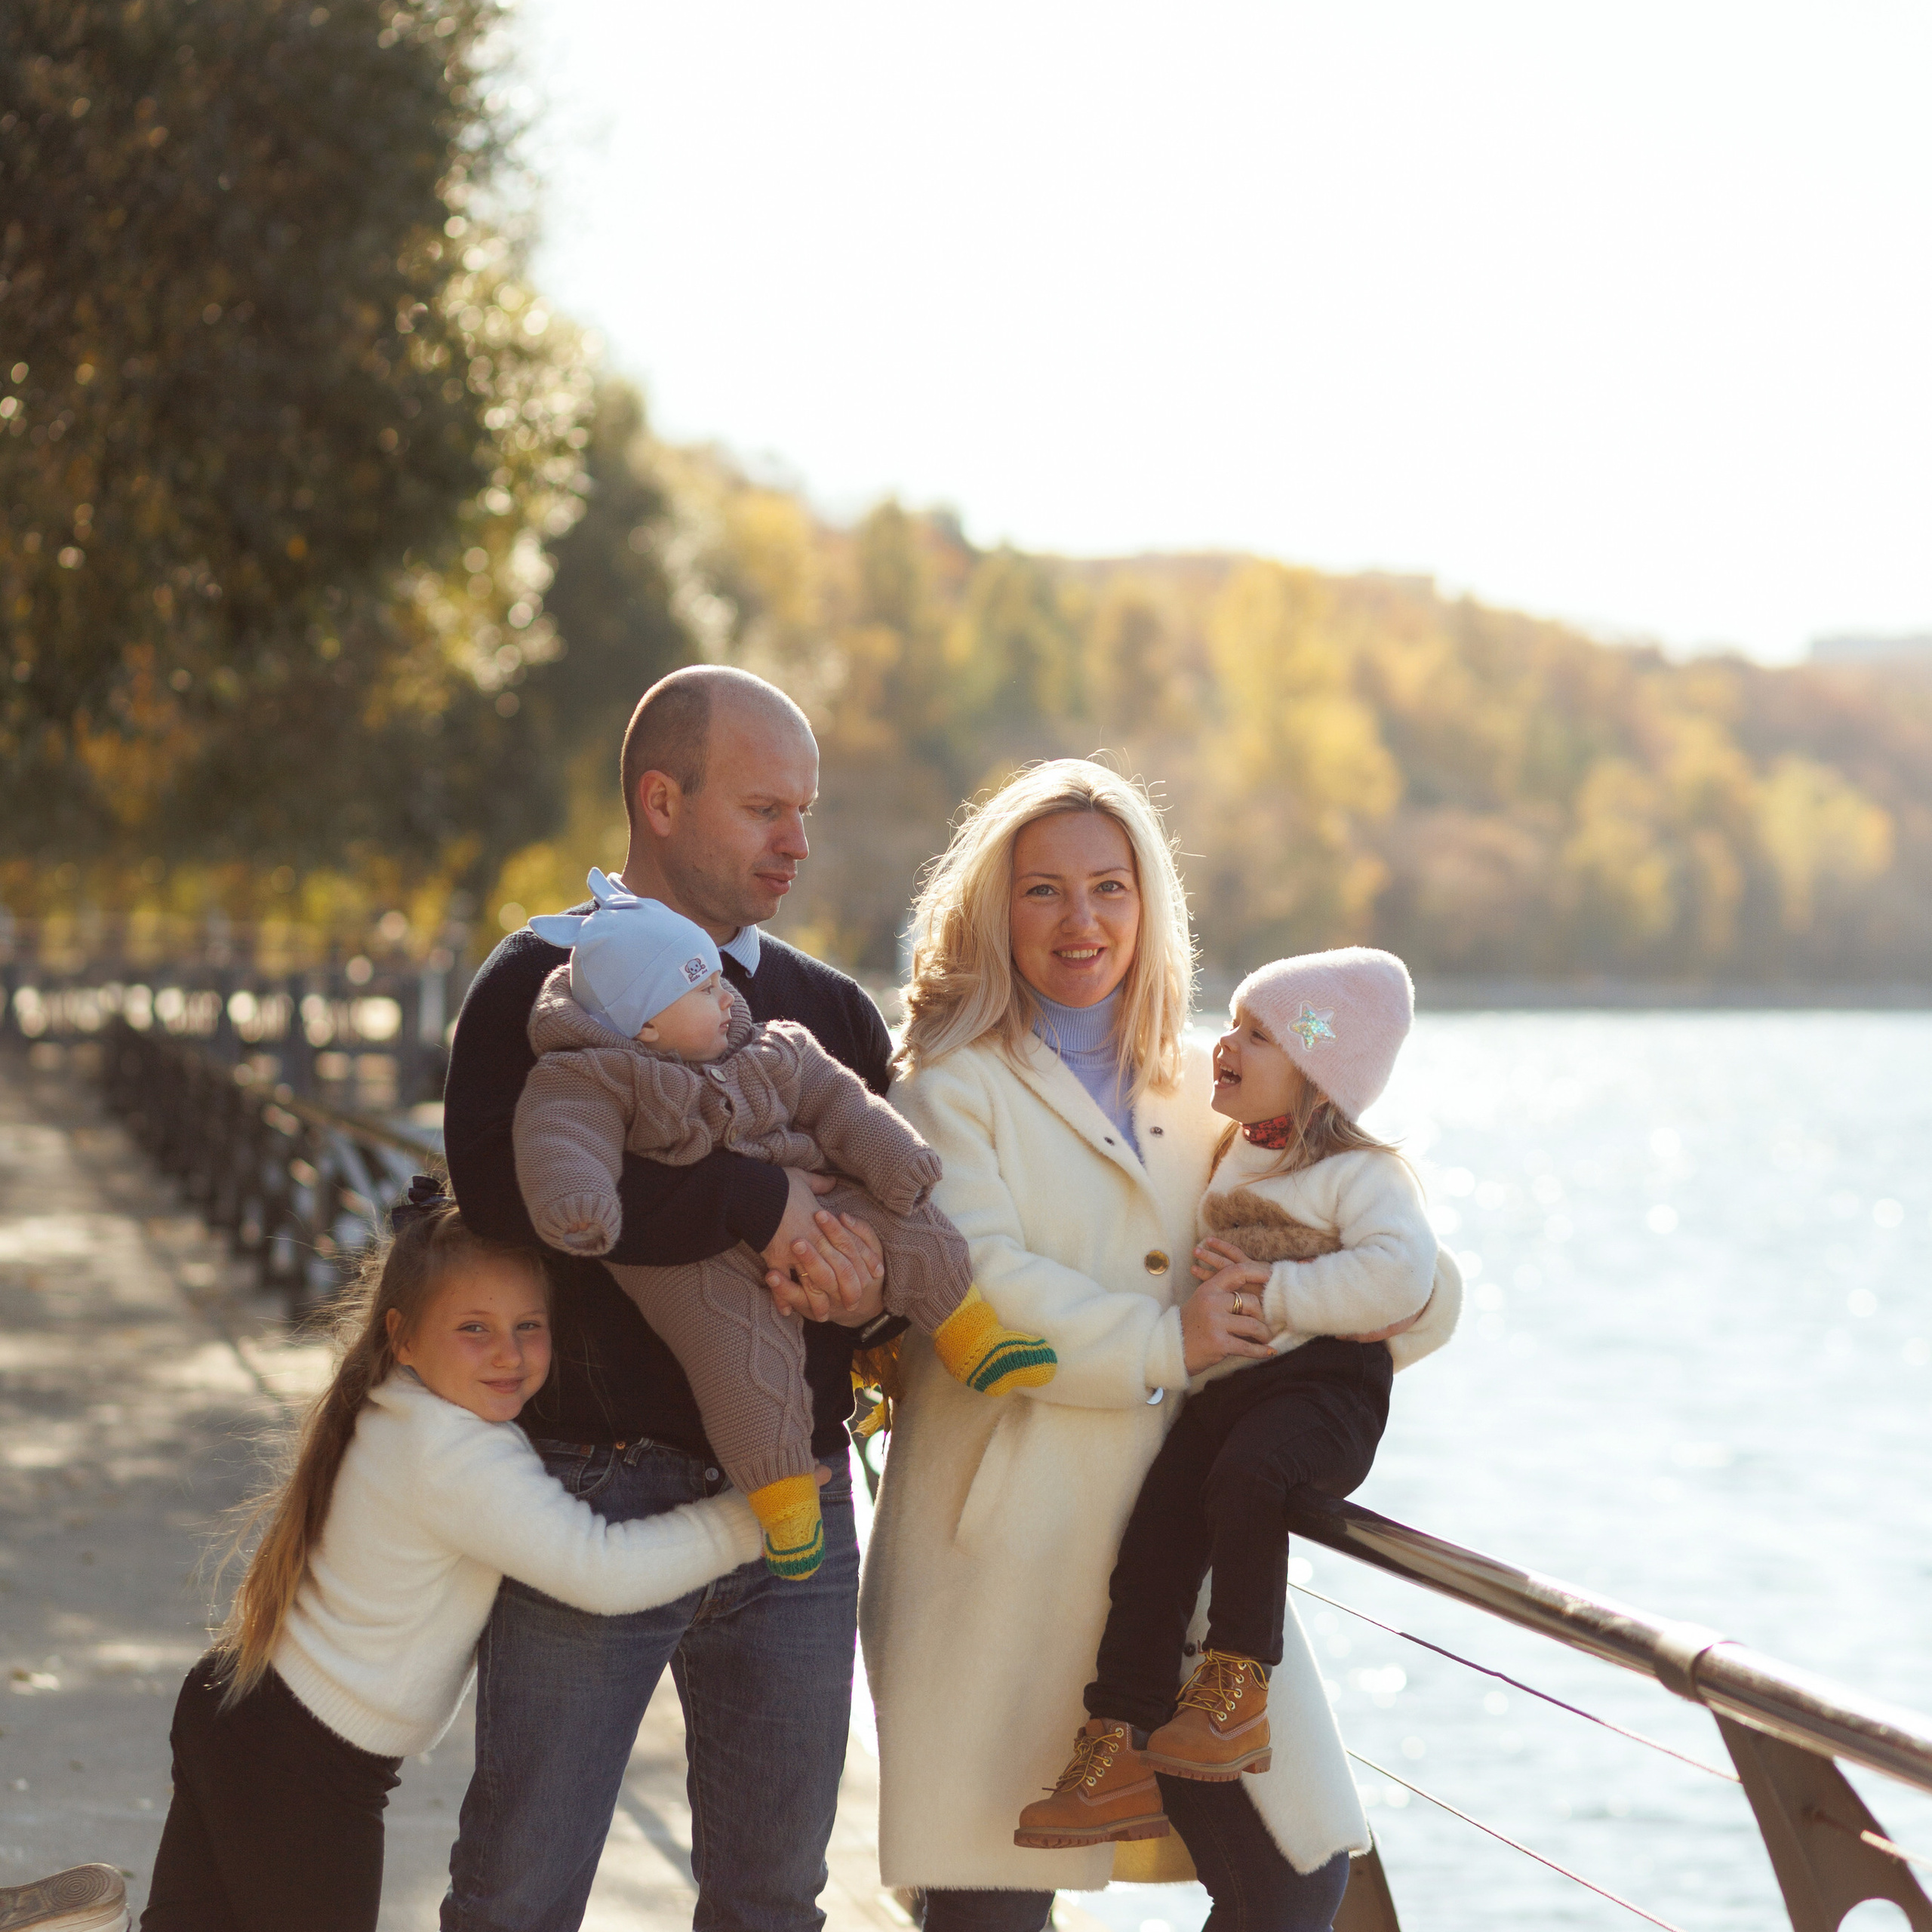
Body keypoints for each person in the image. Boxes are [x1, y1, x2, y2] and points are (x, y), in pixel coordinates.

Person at [861, 760, 1383, 1932]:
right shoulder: (947, 1091)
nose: (1081, 921)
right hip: (999, 1560)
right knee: (992, 1914)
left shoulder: (1207, 1090)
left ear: (1151, 905)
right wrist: (1171, 1337)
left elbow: (1337, 1209)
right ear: (995, 910)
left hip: (1185, 1560)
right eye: (1043, 891)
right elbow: (981, 1290)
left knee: (1297, 1879)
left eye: (1110, 886)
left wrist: (1402, 1292)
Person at [440, 664, 900, 1931]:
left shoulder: (830, 1014)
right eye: (765, 810)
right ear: (661, 798)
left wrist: (863, 1284)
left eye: (806, 812)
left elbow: (893, 1220)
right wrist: (757, 1206)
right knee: (517, 1894)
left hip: (797, 1499)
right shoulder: (536, 983)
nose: (797, 843)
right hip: (590, 1490)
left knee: (773, 1901)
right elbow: (517, 1207)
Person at [138, 1189, 765, 1932]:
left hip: (241, 1709)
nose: (509, 1352)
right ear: (402, 1335)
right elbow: (602, 1567)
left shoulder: (401, 1402)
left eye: (529, 1326)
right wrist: (755, 1517)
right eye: (475, 1328)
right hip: (300, 1766)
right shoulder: (455, 1452)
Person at [1016, 948, 1460, 1847]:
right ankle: (1119, 1741)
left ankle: (1236, 1687)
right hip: (1227, 1392)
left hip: (1323, 1392)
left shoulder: (1361, 1175)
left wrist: (1279, 1295)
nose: (1226, 1043)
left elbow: (1400, 1272)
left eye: (1259, 1036)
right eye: (1234, 1023)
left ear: (1318, 1072)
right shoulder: (1230, 1153)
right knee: (1153, 1540)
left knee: (1251, 1480)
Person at [513, 872, 1055, 1576]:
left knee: (910, 1224)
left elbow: (842, 1102)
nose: (727, 996)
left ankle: (968, 1327)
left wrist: (896, 1158)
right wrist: (581, 1203)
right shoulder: (592, 1075)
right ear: (645, 1024)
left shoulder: (776, 1046)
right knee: (741, 1359)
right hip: (692, 1268)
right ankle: (782, 1490)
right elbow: (560, 1138)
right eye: (703, 990)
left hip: (820, 1212)